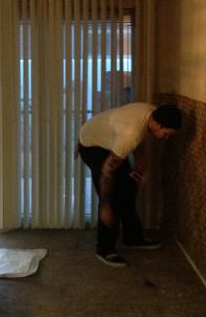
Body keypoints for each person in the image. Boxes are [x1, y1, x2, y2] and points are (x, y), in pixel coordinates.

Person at [78, 103, 182, 267]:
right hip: (92, 146)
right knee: (113, 198)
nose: (166, 138)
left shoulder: (152, 112)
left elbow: (139, 133)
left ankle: (132, 237)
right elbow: (106, 172)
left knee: (128, 188)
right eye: (166, 133)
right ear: (157, 124)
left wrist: (140, 157)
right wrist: (105, 205)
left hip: (107, 138)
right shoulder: (130, 135)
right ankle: (104, 249)